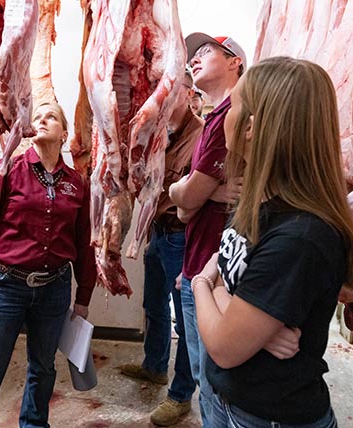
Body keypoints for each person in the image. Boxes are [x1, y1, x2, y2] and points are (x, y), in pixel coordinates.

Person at [191, 56, 353, 428]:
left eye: (234, 106)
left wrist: (200, 285)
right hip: (227, 399)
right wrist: (249, 323)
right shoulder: (259, 203)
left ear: (252, 128)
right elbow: (228, 277)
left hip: (269, 417)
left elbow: (223, 346)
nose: (225, 115)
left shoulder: (300, 237)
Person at [0, 102, 96, 428]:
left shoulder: (76, 183)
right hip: (6, 286)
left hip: (54, 288)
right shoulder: (5, 170)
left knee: (43, 368)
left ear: (64, 133)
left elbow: (83, 240)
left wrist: (84, 296)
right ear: (28, 131)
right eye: (37, 117)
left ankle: (34, 424)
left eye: (51, 117)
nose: (42, 120)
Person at [117, 70, 204, 426]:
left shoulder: (202, 135)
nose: (162, 98)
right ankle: (154, 366)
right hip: (157, 231)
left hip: (182, 236)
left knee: (186, 320)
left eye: (171, 91)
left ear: (187, 94)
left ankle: (181, 394)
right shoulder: (158, 130)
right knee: (153, 303)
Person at [167, 33, 246, 425]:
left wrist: (187, 194)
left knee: (214, 387)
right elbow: (184, 209)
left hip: (215, 276)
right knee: (206, 381)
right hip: (199, 266)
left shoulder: (229, 118)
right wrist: (191, 196)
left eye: (206, 52)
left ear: (235, 62)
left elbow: (188, 198)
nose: (194, 60)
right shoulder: (215, 119)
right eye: (192, 56)